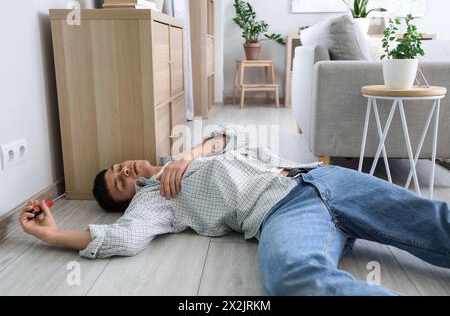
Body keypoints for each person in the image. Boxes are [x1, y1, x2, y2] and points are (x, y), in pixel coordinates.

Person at [20, 126, 450, 296]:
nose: (125, 170)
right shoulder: (153, 203)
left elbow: (232, 135)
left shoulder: (180, 156)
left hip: (319, 178)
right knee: (291, 275)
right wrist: (54, 235)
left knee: (432, 219)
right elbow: (123, 238)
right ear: (127, 199)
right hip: (281, 213)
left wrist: (187, 155)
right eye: (120, 182)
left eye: (118, 166)